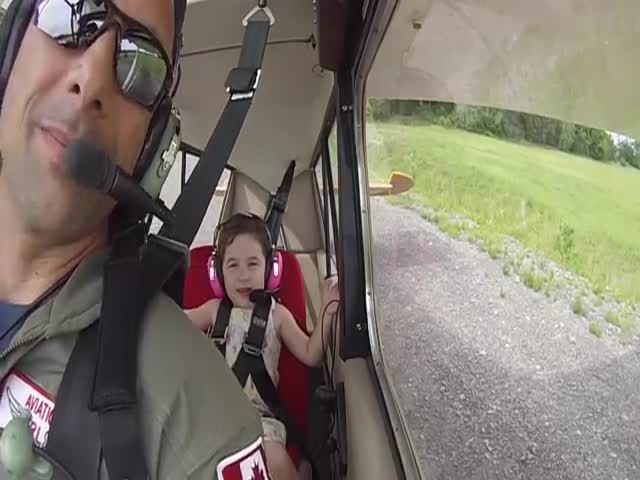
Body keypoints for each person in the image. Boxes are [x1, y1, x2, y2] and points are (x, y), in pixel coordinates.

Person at [0, 0, 267, 479]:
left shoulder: (197, 419)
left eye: (139, 63)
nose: (92, 78)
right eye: (67, 14)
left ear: (151, 145)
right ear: (10, 46)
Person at [185, 213, 341, 480]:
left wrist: (328, 309)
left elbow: (311, 354)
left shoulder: (277, 316)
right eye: (232, 265)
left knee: (276, 459)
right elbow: (175, 324)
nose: (243, 275)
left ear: (270, 270)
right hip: (215, 415)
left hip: (260, 420)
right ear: (218, 274)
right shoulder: (212, 311)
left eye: (253, 263)